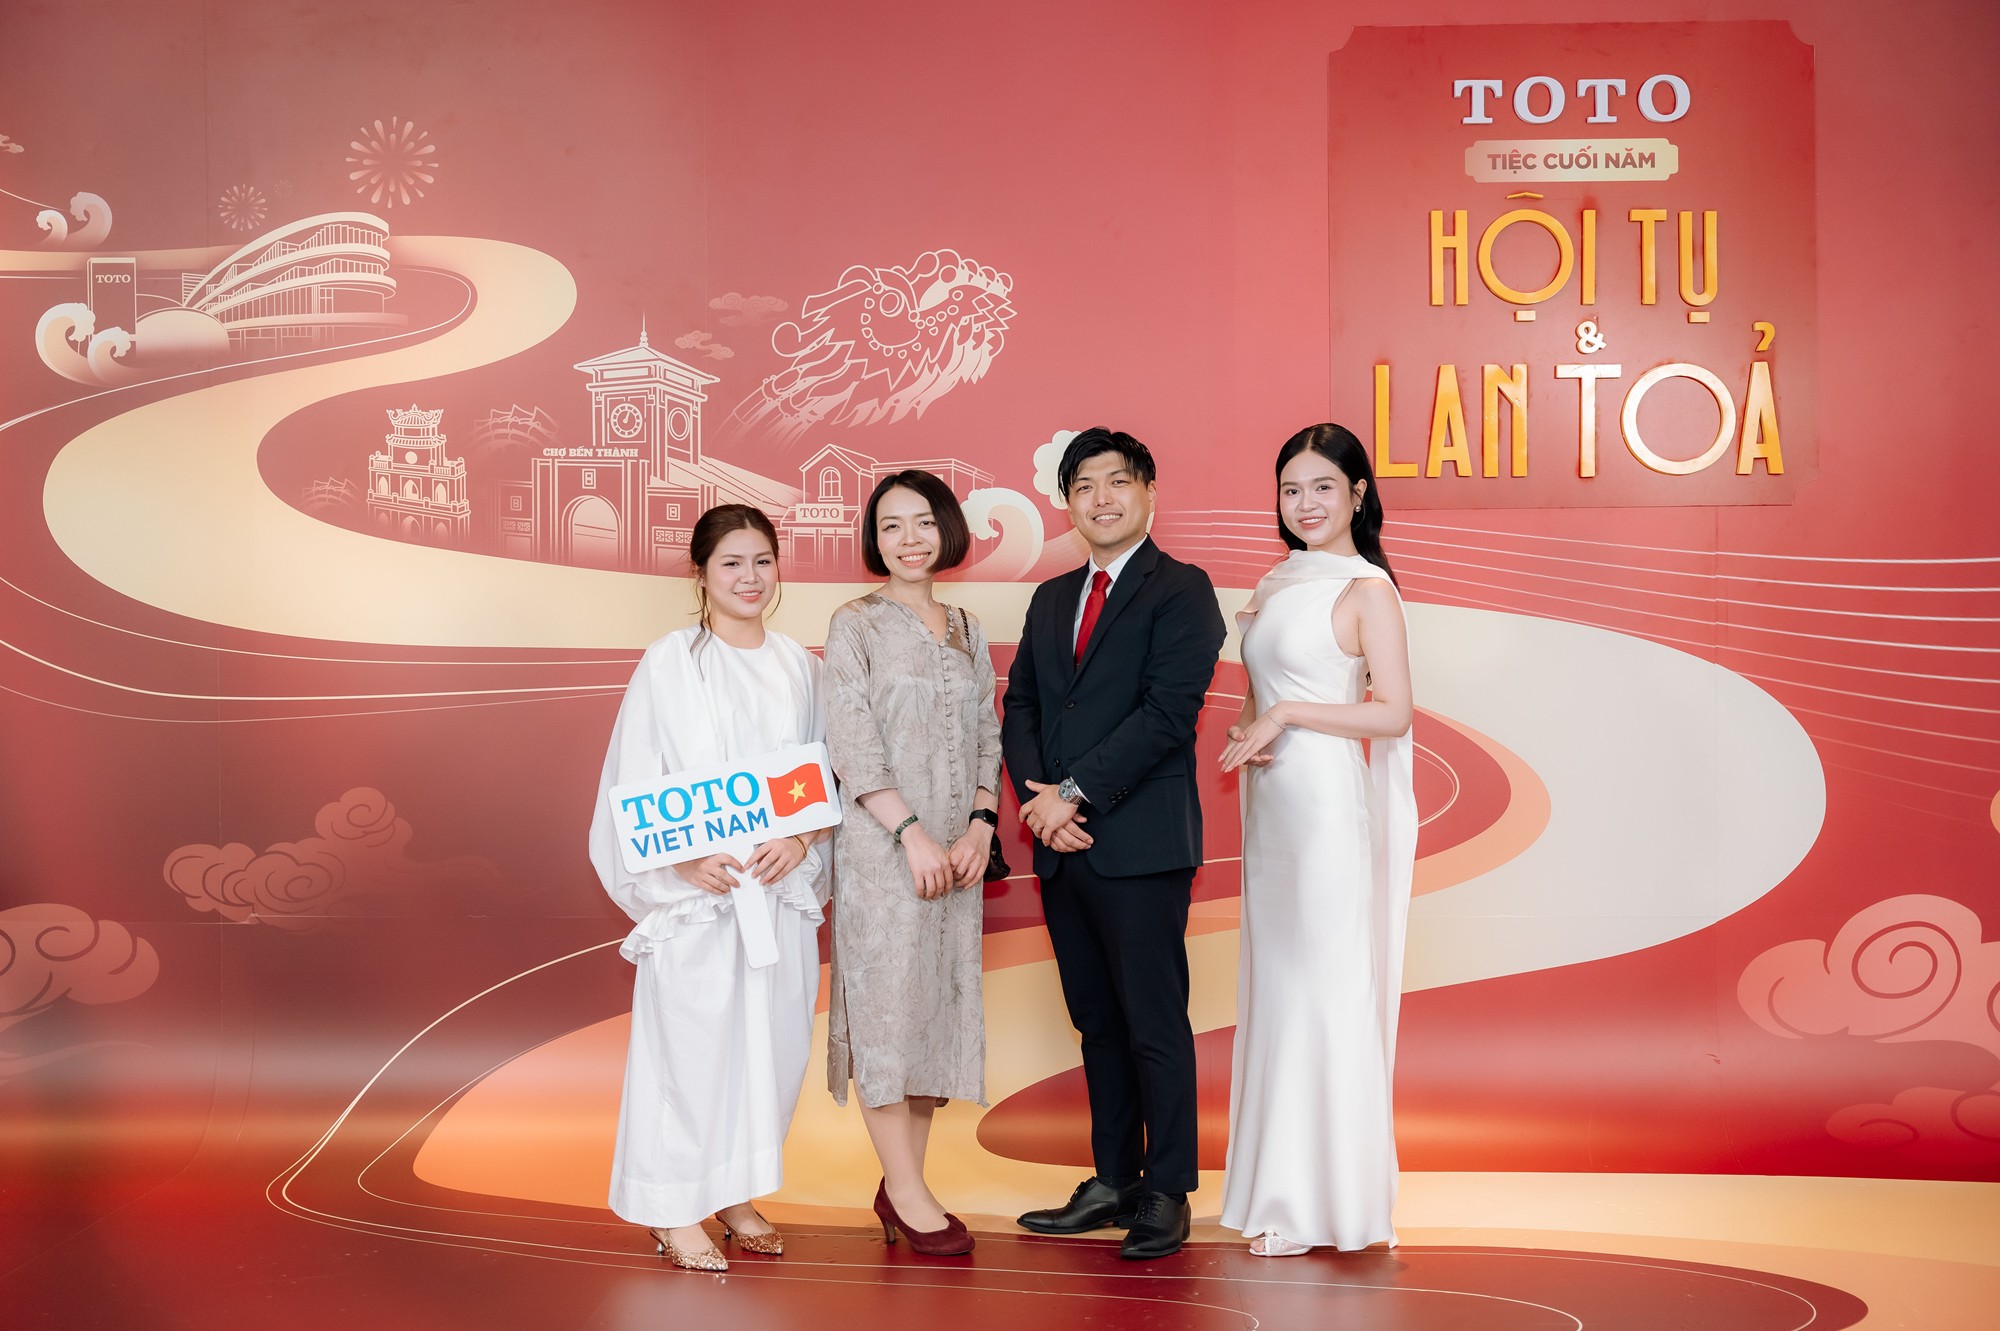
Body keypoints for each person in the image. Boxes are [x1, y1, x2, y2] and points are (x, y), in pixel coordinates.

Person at [1001, 428, 1227, 1260]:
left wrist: (1070, 794)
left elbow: (1168, 714)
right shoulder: (1052, 597)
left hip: (1140, 844)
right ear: (1068, 502)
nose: (1101, 498)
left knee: (1152, 1022)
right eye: (1084, 485)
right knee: (1096, 1020)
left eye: (1118, 481)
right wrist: (1041, 807)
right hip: (1061, 845)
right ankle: (1114, 1179)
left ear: (1148, 492)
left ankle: (1167, 1190)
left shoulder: (1183, 589)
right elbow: (1024, 705)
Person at [587, 504, 831, 1273]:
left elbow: (820, 775)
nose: (749, 577)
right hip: (700, 896)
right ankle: (670, 1204)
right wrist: (680, 858)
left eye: (762, 560)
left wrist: (800, 841)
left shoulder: (800, 666)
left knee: (770, 1048)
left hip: (775, 890)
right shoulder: (671, 661)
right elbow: (634, 776)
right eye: (731, 562)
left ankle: (734, 1190)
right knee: (693, 1048)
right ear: (700, 572)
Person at [1216, 423, 1417, 1257]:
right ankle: (1280, 1193)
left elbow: (1393, 712)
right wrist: (1250, 725)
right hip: (1273, 809)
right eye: (1291, 489)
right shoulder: (1278, 579)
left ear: (1358, 494)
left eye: (1323, 487)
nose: (1305, 503)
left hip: (1329, 809)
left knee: (1324, 989)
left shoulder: (1369, 589)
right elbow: (1256, 692)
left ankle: (1325, 1205)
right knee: (1279, 990)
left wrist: (1289, 713)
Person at [823, 470, 1001, 1259]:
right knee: (887, 1015)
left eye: (923, 522)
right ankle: (907, 1189)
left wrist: (981, 825)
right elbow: (851, 740)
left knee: (931, 1014)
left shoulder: (966, 626)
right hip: (884, 854)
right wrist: (911, 833)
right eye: (890, 525)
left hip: (958, 856)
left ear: (946, 529)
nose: (908, 539)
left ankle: (903, 1185)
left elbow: (989, 732)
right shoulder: (854, 623)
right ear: (874, 539)